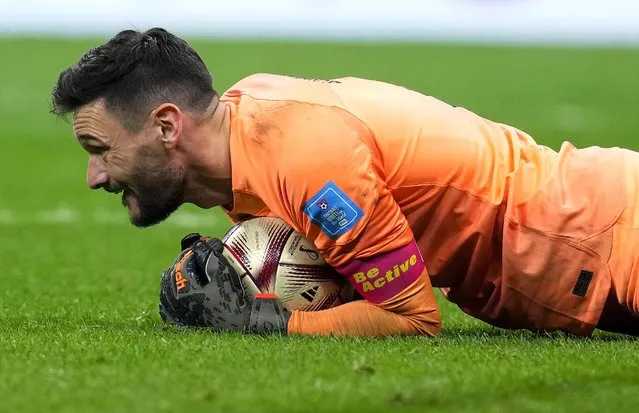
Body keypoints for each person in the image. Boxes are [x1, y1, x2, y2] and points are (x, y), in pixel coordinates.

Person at [51, 27, 639, 337]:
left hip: (607, 232)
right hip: (591, 226)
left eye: (99, 150)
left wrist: (268, 320)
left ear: (166, 126)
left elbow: (412, 319)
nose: (93, 176)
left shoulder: (305, 159)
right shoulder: (247, 122)